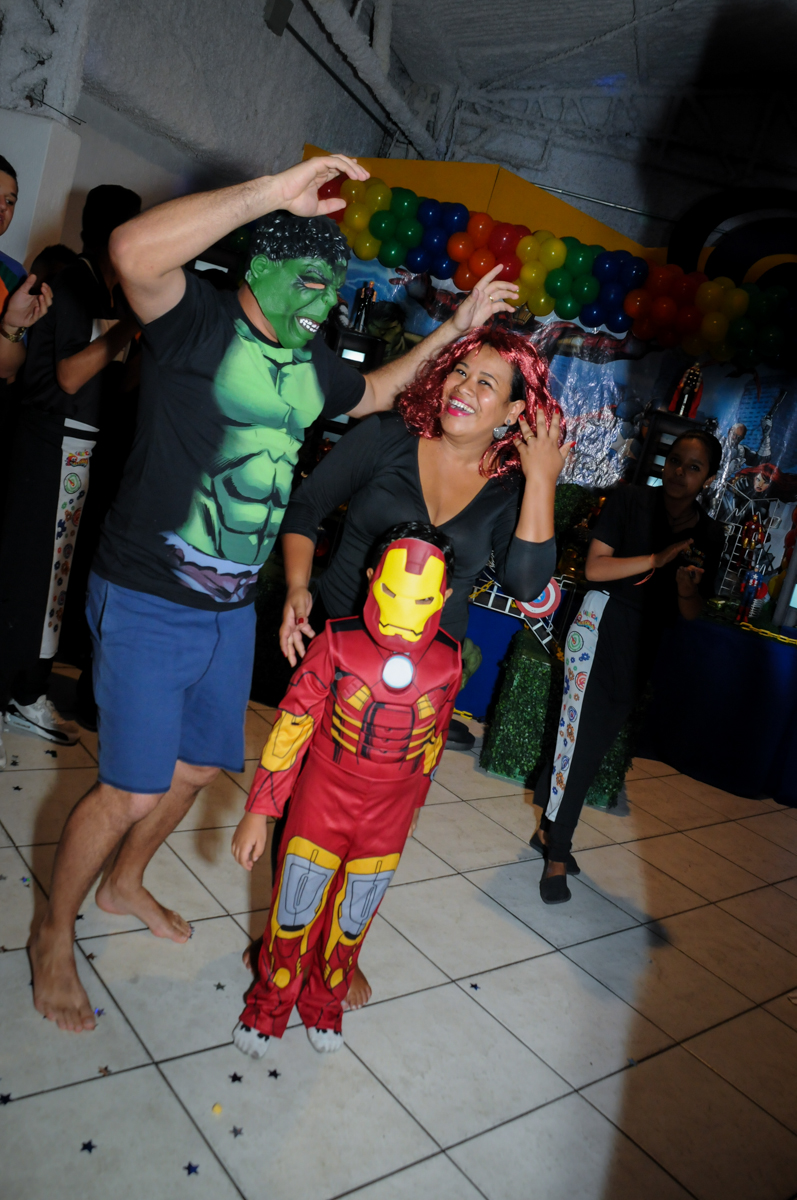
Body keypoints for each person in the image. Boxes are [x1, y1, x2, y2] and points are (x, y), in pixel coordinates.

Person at [27, 153, 519, 1034]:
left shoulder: (311, 359)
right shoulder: (197, 322)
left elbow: (371, 390)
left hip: (228, 612)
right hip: (145, 593)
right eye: (308, 280)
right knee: (130, 789)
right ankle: (50, 938)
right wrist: (271, 194)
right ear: (258, 270)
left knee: (192, 772)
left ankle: (124, 883)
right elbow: (136, 250)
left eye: (332, 287)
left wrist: (457, 327)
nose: (324, 302)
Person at [273, 324, 568, 1007]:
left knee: (379, 826)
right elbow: (308, 506)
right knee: (301, 807)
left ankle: (339, 950)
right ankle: (285, 939)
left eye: (485, 384)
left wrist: (540, 481)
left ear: (514, 414)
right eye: (460, 372)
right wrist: (296, 586)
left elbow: (527, 584)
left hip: (423, 691)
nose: (463, 388)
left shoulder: (505, 487)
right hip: (337, 656)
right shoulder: (384, 438)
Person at [231, 523, 461, 1058]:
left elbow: (434, 741)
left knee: (354, 918)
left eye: (423, 598)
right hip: (323, 798)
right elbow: (292, 725)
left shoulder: (448, 661)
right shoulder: (337, 642)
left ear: (443, 597)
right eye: (396, 591)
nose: (406, 608)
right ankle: (268, 1007)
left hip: (390, 813)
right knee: (294, 910)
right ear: (372, 579)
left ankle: (325, 1004)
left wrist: (414, 809)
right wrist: (260, 810)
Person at [533, 430, 724, 904]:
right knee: (579, 738)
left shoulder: (709, 532)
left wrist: (683, 584)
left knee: (591, 745)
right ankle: (557, 849)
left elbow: (692, 611)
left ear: (710, 478)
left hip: (645, 642)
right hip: (599, 625)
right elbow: (594, 569)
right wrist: (659, 558)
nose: (679, 472)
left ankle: (550, 828)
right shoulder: (631, 499)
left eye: (693, 467)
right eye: (675, 461)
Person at [0, 186, 142, 753]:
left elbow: (117, 381)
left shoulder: (107, 288)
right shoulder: (71, 279)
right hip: (49, 442)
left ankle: (26, 684)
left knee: (58, 574)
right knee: (41, 575)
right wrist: (128, 329)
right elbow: (68, 377)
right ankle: (22, 691)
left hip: (84, 448)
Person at [0, 155, 54, 384]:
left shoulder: (14, 277)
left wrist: (11, 325)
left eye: (10, 201)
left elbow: (5, 371)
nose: (3, 206)